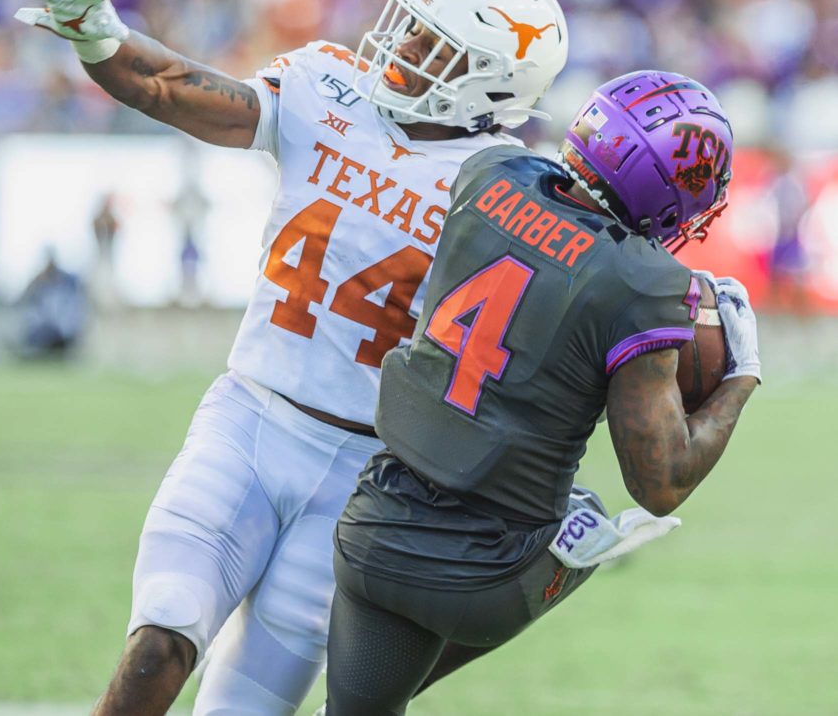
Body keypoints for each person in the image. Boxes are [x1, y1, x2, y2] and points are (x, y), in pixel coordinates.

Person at [15, 0, 569, 715]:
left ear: (496, 84)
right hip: (249, 420)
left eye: (437, 48)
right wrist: (102, 42)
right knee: (160, 637)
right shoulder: (327, 86)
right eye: (412, 27)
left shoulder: (510, 190)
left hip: (366, 473)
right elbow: (172, 87)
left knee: (242, 709)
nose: (403, 47)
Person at [323, 71, 762, 715]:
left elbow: (542, 273)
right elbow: (661, 484)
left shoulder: (491, 171)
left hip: (371, 534)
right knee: (587, 514)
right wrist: (740, 377)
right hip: (489, 578)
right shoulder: (643, 283)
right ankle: (576, 533)